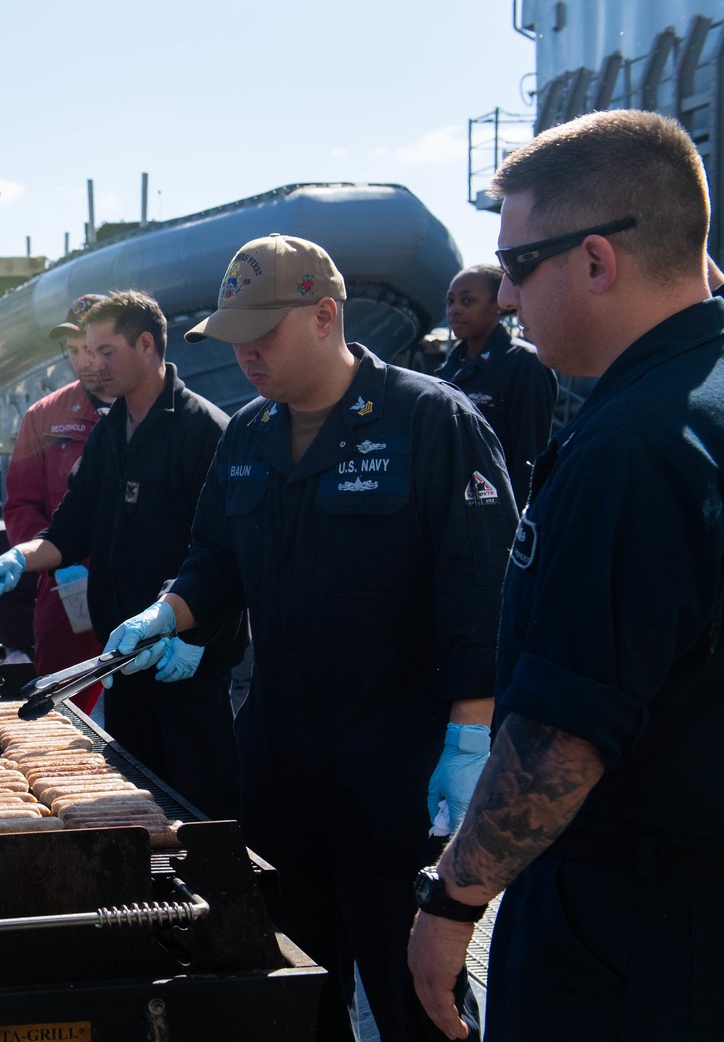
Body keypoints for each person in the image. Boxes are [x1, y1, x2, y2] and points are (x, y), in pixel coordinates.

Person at [101, 235, 519, 1040]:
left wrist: (473, 738)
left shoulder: (432, 423)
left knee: (416, 998)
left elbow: (483, 599)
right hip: (281, 767)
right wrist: (170, 611)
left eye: (264, 333)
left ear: (326, 316)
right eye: (235, 337)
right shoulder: (248, 437)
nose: (246, 354)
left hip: (397, 778)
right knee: (294, 991)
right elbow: (214, 563)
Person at [407, 109, 724, 1042]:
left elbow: (561, 746)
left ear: (596, 260)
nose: (506, 299)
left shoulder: (635, 446)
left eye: (516, 266)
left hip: (637, 936)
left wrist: (452, 901)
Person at [0, 290, 243, 820]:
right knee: (134, 804)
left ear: (147, 344)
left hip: (183, 664)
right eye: (86, 353)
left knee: (201, 805)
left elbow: (230, 558)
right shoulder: (109, 435)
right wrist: (22, 558)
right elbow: (72, 527)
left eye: (105, 351)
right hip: (122, 652)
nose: (93, 366)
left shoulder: (205, 432)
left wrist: (195, 641)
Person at [2, 293, 113, 713]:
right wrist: (56, 561)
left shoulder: (147, 412)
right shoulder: (43, 417)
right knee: (63, 717)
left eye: (92, 348)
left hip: (141, 595)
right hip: (67, 600)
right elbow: (20, 505)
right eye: (73, 351)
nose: (83, 360)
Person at [437, 264, 558, 509]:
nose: (455, 310)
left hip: (499, 509)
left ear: (497, 305)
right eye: (450, 301)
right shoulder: (447, 371)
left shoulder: (523, 364)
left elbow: (530, 452)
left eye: (468, 301)